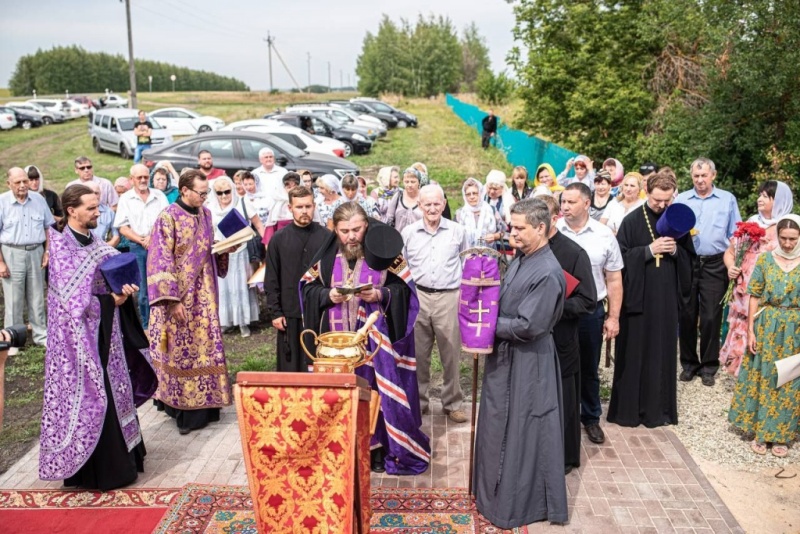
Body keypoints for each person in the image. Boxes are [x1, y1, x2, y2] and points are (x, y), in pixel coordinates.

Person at [38, 185, 157, 491]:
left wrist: (126, 289)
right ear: (71, 210)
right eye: (91, 208)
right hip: (76, 345)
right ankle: (98, 471)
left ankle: (126, 458)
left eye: (98, 206)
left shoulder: (97, 244)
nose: (98, 213)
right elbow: (69, 301)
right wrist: (110, 300)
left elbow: (113, 272)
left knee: (114, 389)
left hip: (107, 335)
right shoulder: (61, 248)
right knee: (94, 394)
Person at [300, 202, 430, 475]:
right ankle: (340, 448)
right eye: (344, 230)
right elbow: (308, 289)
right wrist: (328, 296)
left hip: (373, 347)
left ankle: (380, 450)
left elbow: (405, 290)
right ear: (335, 229)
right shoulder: (324, 256)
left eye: (357, 229)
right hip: (336, 348)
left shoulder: (385, 254)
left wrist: (381, 294)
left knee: (375, 395)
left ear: (366, 226)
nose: (351, 236)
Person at [473, 198, 568, 528]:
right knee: (498, 423)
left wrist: (484, 326)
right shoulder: (523, 258)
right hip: (508, 357)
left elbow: (529, 325)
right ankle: (491, 495)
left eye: (518, 227)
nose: (511, 232)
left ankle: (514, 505)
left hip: (529, 363)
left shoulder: (548, 272)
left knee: (520, 431)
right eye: (511, 226)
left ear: (540, 228)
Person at [147, 169, 233, 434]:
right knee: (182, 352)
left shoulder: (206, 215)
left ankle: (209, 405)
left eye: (207, 193)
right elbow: (159, 260)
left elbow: (207, 247)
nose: (206, 198)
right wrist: (172, 301)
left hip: (206, 296)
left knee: (206, 347)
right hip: (180, 300)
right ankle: (183, 409)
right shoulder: (168, 217)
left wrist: (224, 249)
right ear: (184, 190)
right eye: (202, 193)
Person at [607, 170, 695, 428]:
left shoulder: (676, 220)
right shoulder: (632, 220)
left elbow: (691, 261)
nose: (662, 205)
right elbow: (618, 259)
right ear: (648, 192)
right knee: (634, 351)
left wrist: (678, 250)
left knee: (661, 352)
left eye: (667, 200)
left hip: (666, 299)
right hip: (637, 298)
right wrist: (648, 250)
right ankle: (628, 411)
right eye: (657, 200)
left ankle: (659, 411)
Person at [729, 215, 800, 458]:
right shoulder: (767, 260)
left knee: (790, 378)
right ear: (778, 236)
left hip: (796, 327)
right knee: (766, 376)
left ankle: (782, 434)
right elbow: (755, 294)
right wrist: (750, 330)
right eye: (784, 238)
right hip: (767, 324)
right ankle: (761, 430)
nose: (788, 244)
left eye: (793, 239)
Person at [558, 182, 624, 444]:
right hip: (558, 311)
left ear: (587, 203)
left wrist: (613, 317)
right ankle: (561, 415)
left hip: (590, 311)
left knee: (588, 366)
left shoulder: (603, 235)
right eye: (563, 201)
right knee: (559, 364)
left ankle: (590, 417)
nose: (565, 206)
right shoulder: (553, 232)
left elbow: (614, 278)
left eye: (571, 202)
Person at [537, 194, 597, 472]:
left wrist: (553, 307)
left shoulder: (574, 254)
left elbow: (587, 300)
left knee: (563, 401)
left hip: (561, 341)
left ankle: (563, 457)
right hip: (532, 343)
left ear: (554, 218)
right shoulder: (528, 249)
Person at [402, 184, 468, 422]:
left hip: (449, 297)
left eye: (436, 203)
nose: (432, 208)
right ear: (419, 205)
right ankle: (420, 401)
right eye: (427, 204)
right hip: (418, 297)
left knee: (451, 352)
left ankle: (453, 403)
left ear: (444, 204)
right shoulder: (408, 232)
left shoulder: (458, 231)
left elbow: (468, 262)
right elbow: (402, 265)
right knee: (419, 354)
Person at [675, 157, 741, 386]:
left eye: (704, 175)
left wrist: (734, 261)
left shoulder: (727, 199)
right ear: (691, 176)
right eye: (696, 176)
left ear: (713, 175)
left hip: (716, 262)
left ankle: (709, 365)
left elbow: (736, 233)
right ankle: (689, 363)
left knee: (712, 315)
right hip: (688, 260)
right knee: (686, 313)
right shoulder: (681, 199)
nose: (700, 180)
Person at [720, 180, 793, 376]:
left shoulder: (788, 227)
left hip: (771, 294)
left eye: (765, 196)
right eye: (759, 194)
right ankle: (744, 376)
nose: (759, 199)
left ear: (777, 201)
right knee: (742, 329)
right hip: (744, 290)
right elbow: (729, 252)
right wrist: (731, 267)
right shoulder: (751, 223)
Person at [265, 186, 330, 372]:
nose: (304, 211)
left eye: (308, 206)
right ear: (290, 207)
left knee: (319, 365)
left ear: (314, 206)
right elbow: (271, 278)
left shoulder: (326, 237)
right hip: (289, 312)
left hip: (320, 312)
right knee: (291, 367)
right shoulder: (278, 239)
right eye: (299, 207)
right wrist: (275, 312)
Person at [0, 167, 54, 355]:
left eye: (25, 181)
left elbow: (49, 227)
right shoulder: (2, 202)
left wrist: (47, 251)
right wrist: (0, 263)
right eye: (18, 182)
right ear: (9, 184)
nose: (23, 185)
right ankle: (13, 340)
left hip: (36, 252)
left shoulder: (38, 200)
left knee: (37, 295)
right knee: (13, 299)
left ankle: (40, 335)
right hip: (11, 252)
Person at [114, 164, 169, 329]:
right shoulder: (126, 199)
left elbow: (167, 220)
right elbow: (122, 227)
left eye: (146, 177)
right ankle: (147, 326)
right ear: (132, 180)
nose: (143, 180)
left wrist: (152, 238)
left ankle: (164, 324)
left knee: (162, 284)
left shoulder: (159, 195)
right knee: (143, 289)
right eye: (139, 177)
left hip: (159, 245)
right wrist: (141, 240)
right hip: (137, 247)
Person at [208, 176, 260, 338]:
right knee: (224, 286)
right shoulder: (209, 207)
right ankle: (226, 321)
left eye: (227, 191)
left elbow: (258, 224)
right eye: (220, 193)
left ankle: (243, 321)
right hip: (222, 252)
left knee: (241, 284)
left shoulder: (242, 203)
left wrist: (267, 244)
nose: (224, 196)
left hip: (241, 250)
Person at [456, 177, 506, 249]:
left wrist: (494, 236)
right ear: (464, 196)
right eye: (468, 194)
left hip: (488, 256)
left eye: (475, 193)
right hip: (466, 256)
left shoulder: (491, 210)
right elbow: (454, 236)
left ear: (480, 193)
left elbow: (503, 232)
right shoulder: (460, 213)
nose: (472, 197)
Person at [77, 181, 120, 248]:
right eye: (90, 193)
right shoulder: (76, 212)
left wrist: (103, 250)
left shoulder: (109, 212)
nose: (94, 196)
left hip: (104, 250)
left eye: (96, 193)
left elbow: (116, 237)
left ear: (100, 194)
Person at [386, 167, 425, 233]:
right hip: (399, 239)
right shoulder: (398, 196)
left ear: (419, 182)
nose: (409, 185)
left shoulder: (424, 197)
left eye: (413, 182)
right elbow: (389, 218)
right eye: (406, 182)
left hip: (419, 239)